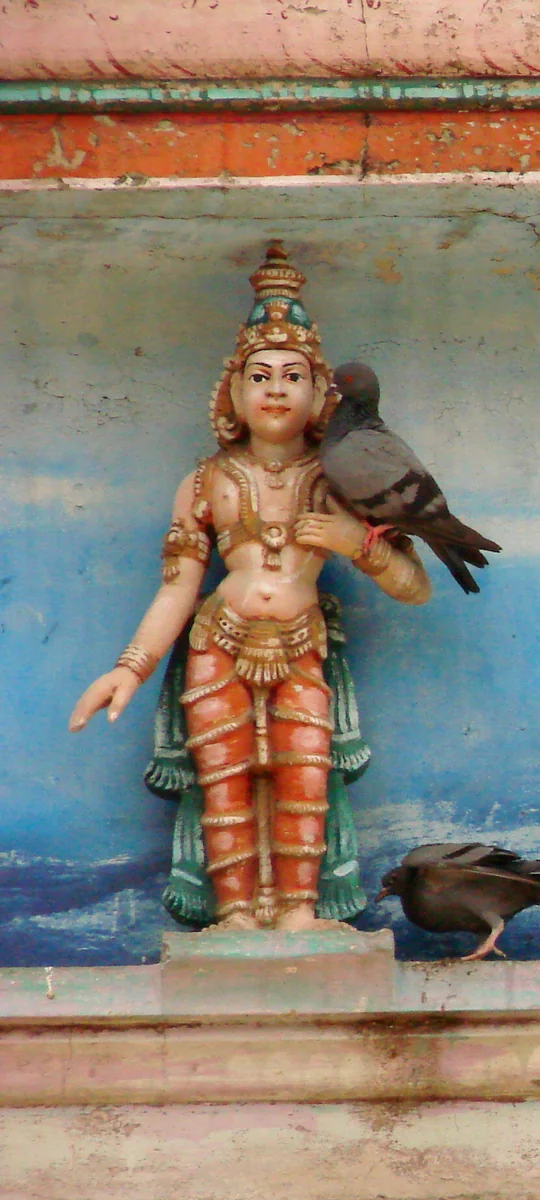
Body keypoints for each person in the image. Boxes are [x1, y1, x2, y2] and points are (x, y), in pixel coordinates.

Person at [69, 242, 431, 930]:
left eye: (293, 376)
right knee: (223, 783)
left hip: (300, 644)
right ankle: (234, 915)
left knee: (305, 778)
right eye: (259, 375)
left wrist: (357, 544)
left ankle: (298, 913)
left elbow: (415, 587)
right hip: (220, 642)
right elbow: (177, 590)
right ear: (232, 392)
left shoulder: (341, 478)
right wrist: (128, 670)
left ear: (321, 394)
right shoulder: (207, 481)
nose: (274, 389)